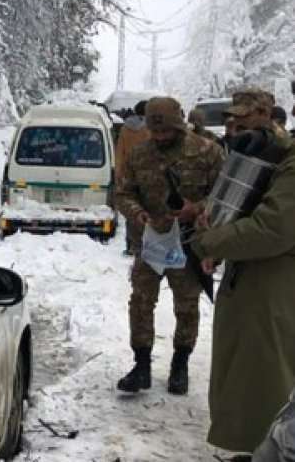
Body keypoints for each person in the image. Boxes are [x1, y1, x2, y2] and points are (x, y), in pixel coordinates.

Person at [193, 88, 295, 460]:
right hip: (254, 274)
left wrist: (209, 242)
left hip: (275, 282)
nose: (236, 126)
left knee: (269, 372)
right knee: (252, 370)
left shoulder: (288, 157)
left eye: (245, 118)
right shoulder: (266, 152)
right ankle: (258, 448)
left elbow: (274, 228)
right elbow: (236, 202)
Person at [115, 97, 224, 395]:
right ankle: (141, 365)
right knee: (140, 302)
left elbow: (223, 198)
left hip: (189, 244)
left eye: (167, 132)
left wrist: (197, 209)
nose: (161, 137)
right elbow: (122, 193)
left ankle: (180, 365)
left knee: (187, 306)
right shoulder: (139, 154)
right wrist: (137, 213)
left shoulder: (207, 152)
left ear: (179, 126)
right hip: (150, 243)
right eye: (156, 132)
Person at [115, 100, 150, 256]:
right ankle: (143, 244)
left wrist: (119, 174)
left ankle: (131, 244)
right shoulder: (148, 130)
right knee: (145, 209)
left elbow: (120, 152)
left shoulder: (125, 129)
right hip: (146, 174)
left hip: (128, 174)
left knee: (131, 209)